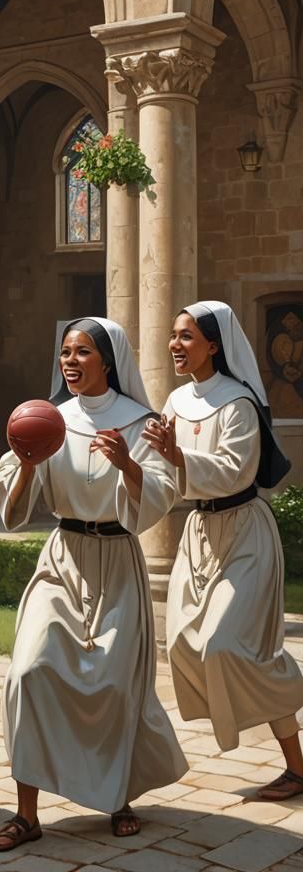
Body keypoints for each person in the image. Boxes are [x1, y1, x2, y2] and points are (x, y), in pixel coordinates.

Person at [0, 318, 187, 853]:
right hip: (63, 559)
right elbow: (12, 502)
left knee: (114, 686)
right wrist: (27, 466)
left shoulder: (140, 421)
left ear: (108, 361)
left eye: (82, 353)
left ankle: (117, 796)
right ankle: (25, 813)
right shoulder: (46, 419)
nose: (69, 362)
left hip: (117, 559)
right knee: (28, 672)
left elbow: (164, 491)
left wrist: (129, 467)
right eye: (65, 353)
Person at [145, 301, 303, 799]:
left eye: (186, 337)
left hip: (244, 534)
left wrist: (178, 456)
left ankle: (296, 754)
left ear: (213, 345)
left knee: (229, 646)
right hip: (199, 535)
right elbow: (164, 477)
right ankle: (298, 766)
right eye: (173, 336)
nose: (175, 345)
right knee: (188, 645)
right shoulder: (174, 403)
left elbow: (235, 471)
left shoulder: (238, 403)